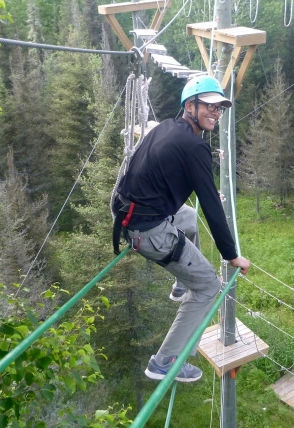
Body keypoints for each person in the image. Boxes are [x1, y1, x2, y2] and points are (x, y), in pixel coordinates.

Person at [111, 75, 251, 383]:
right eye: (210, 107)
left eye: (219, 108)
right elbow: (212, 208)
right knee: (209, 287)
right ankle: (165, 361)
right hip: (149, 232)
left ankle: (182, 284)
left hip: (131, 219)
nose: (215, 113)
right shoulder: (195, 147)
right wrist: (232, 256)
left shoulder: (164, 127)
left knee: (187, 217)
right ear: (190, 106)